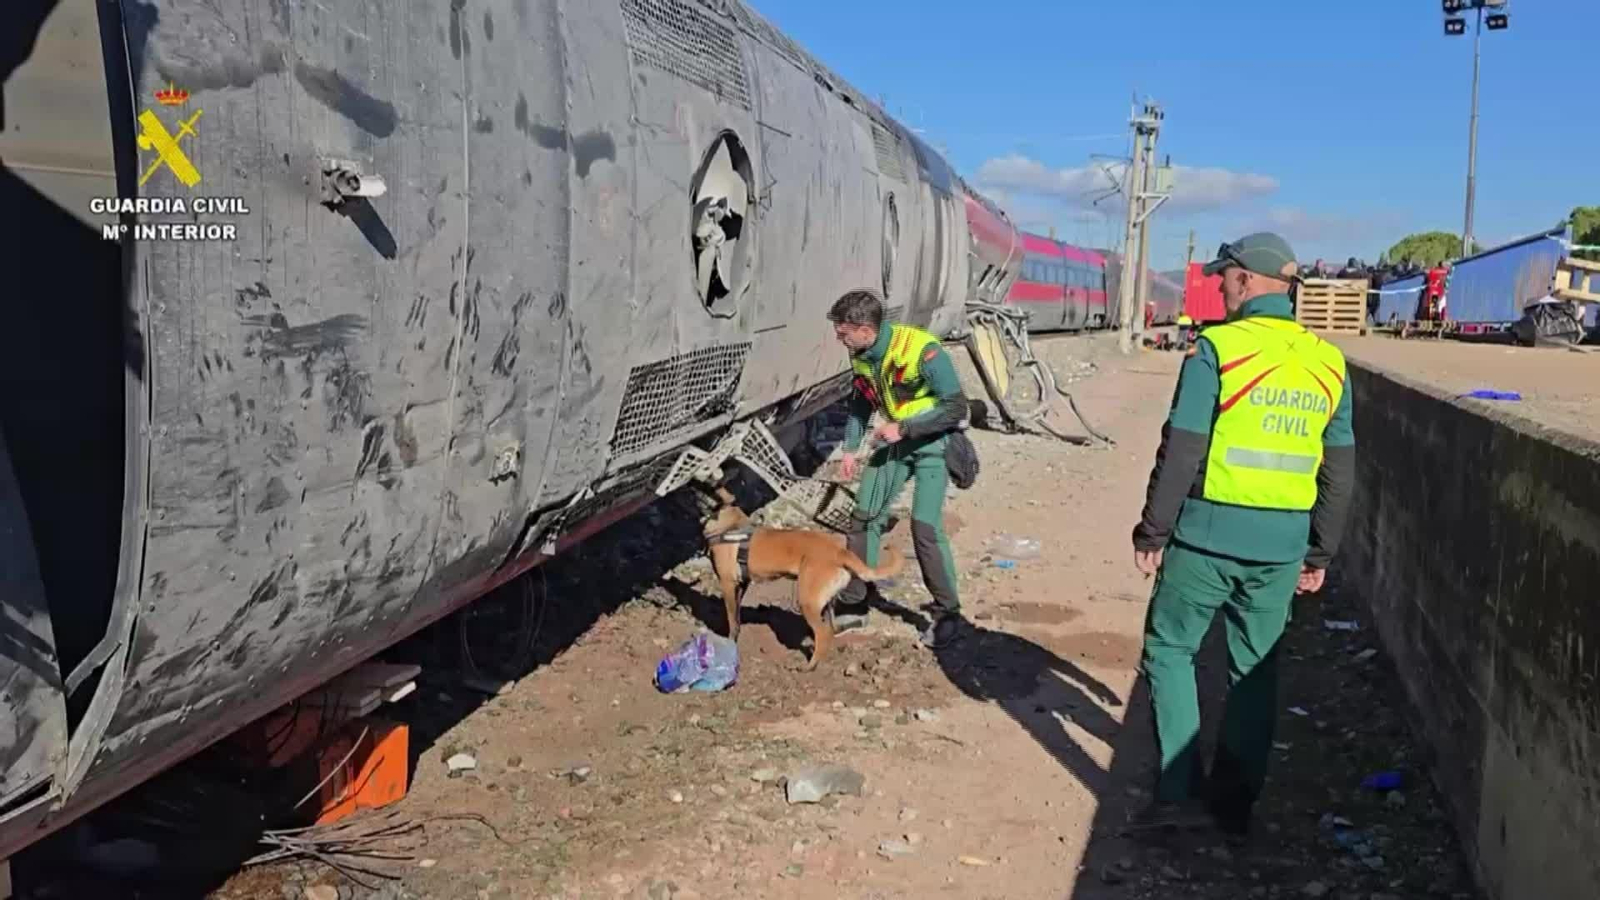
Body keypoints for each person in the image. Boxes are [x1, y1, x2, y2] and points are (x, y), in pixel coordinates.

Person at [1127, 232, 1357, 839]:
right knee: (1255, 672)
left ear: (1248, 281)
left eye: (1225, 277)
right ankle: (1233, 808)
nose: (1221, 288)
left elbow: (1183, 446)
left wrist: (1153, 530)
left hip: (1205, 540)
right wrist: (1320, 550)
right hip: (1281, 550)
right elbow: (1339, 469)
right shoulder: (1329, 362)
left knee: (1170, 649)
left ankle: (1178, 792)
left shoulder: (1218, 348)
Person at [826, 290, 967, 649]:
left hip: (933, 443)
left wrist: (904, 429)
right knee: (864, 518)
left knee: (924, 526)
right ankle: (855, 601)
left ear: (865, 330)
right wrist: (851, 449)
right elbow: (861, 403)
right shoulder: (861, 355)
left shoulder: (922, 350)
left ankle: (948, 612)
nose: (839, 339)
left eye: (843, 333)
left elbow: (956, 408)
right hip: (894, 442)